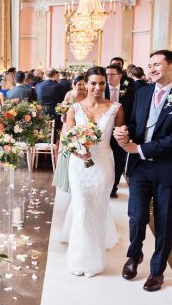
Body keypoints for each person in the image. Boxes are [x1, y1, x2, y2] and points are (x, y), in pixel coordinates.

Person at [114, 50, 172, 292]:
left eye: (157, 64)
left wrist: (139, 148)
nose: (151, 69)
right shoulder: (142, 92)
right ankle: (134, 255)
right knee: (136, 216)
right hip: (140, 167)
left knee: (164, 221)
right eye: (149, 65)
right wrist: (125, 133)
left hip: (169, 168)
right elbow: (135, 124)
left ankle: (157, 270)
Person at [52, 66, 123, 277]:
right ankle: (79, 258)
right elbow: (67, 139)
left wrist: (126, 138)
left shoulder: (116, 108)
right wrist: (77, 150)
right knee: (82, 208)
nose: (98, 87)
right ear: (86, 84)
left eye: (102, 83)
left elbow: (120, 137)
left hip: (103, 165)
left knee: (98, 209)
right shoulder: (75, 108)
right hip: (79, 166)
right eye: (93, 83)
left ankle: (96, 261)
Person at [105, 63, 135, 198]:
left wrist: (128, 130)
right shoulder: (101, 89)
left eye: (112, 74)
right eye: (107, 74)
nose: (108, 77)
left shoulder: (129, 90)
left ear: (120, 76)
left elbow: (133, 110)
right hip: (103, 130)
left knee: (118, 159)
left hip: (121, 130)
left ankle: (113, 187)